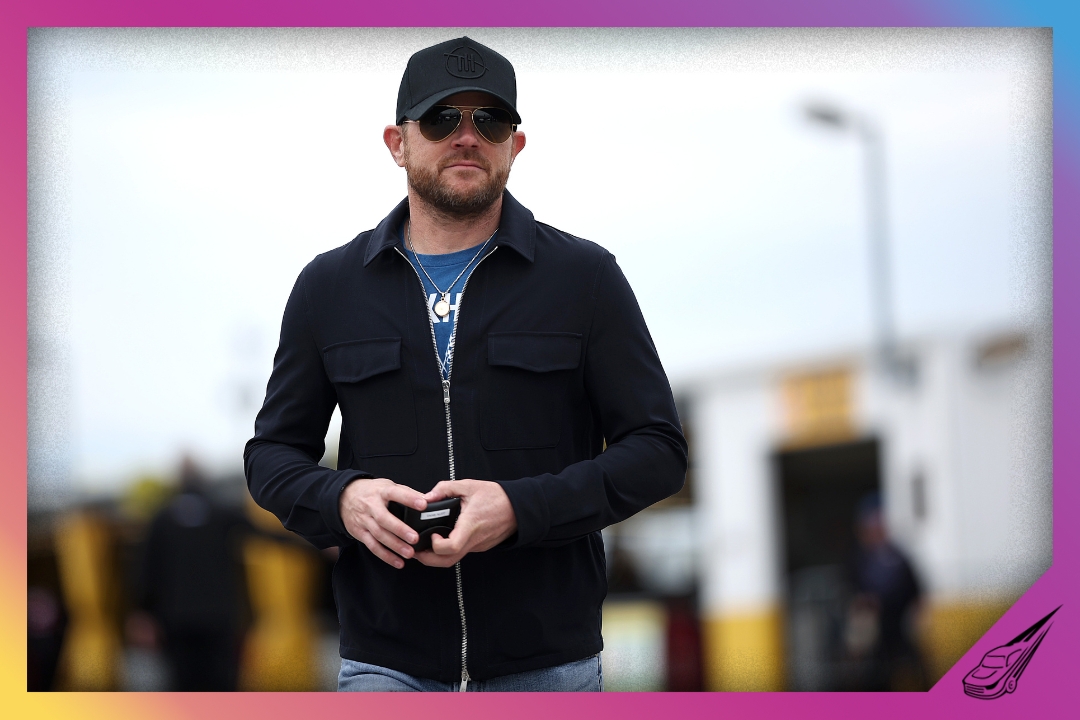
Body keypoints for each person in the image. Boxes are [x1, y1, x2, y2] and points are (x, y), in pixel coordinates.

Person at [244, 36, 687, 692]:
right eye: (441, 119)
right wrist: (344, 498)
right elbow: (271, 457)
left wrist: (518, 507)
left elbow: (657, 451)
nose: (466, 136)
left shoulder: (585, 279)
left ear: (516, 144)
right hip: (384, 667)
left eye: (490, 121)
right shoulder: (327, 289)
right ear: (397, 143)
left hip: (549, 668)